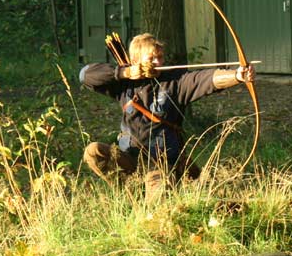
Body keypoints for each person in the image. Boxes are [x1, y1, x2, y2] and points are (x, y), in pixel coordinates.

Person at [79, 33, 255, 199]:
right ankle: (129, 191)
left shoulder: (174, 82)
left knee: (157, 196)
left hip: (161, 163)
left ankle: (150, 206)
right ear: (135, 61)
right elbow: (85, 75)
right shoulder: (124, 84)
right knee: (93, 151)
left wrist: (237, 75)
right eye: (152, 58)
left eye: (160, 57)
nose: (158, 62)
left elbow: (204, 79)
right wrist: (125, 73)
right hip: (129, 158)